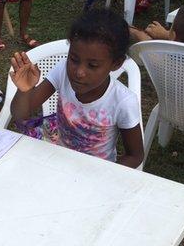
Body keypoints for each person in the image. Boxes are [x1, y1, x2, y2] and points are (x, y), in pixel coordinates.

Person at [10, 9, 144, 168]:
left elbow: (135, 156)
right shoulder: (62, 71)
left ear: (116, 64)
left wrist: (104, 174)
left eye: (92, 65)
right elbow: (21, 115)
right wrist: (24, 90)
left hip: (93, 171)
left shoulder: (123, 102)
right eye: (73, 59)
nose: (79, 72)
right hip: (55, 156)